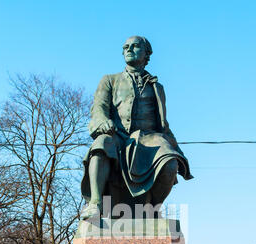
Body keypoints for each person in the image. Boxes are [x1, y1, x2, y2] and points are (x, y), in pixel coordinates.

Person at [81, 36, 193, 219]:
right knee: (101, 144)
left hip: (149, 138)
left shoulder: (157, 87)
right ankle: (95, 203)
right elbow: (98, 109)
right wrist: (102, 122)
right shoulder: (110, 80)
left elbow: (163, 123)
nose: (129, 49)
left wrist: (177, 149)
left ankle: (151, 210)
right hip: (117, 135)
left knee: (170, 161)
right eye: (125, 47)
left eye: (134, 46)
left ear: (147, 54)